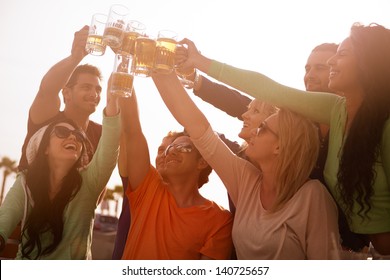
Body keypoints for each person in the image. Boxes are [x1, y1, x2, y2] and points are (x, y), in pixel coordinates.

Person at [179, 22, 390, 255]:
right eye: (308, 67)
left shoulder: (384, 126)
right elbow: (267, 91)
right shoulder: (333, 110)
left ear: (367, 63)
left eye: (341, 55)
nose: (329, 64)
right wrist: (199, 64)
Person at [152, 71, 340, 259]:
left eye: (262, 129)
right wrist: (160, 70)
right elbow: (199, 128)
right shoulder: (247, 181)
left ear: (279, 146)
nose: (253, 133)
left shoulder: (313, 197)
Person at [0, 87, 120, 259]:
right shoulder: (27, 182)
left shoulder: (89, 181)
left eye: (78, 136)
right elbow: (6, 217)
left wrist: (113, 99)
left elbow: (110, 145)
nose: (72, 137)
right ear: (45, 147)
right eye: (62, 132)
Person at [119, 90, 233, 260]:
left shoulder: (220, 220)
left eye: (182, 148)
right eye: (169, 148)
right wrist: (125, 73)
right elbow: (132, 128)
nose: (170, 153)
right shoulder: (148, 187)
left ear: (202, 162)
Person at [19, 25, 103, 171]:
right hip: (30, 194)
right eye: (86, 87)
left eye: (98, 89)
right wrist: (74, 59)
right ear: (66, 93)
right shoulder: (46, 119)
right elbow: (47, 91)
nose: (94, 94)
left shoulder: (101, 134)